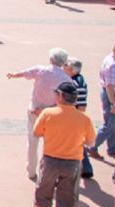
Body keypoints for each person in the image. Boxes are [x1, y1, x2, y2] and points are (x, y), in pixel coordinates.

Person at [30, 82, 96, 207]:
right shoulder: (84, 119)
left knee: (43, 190)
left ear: (60, 96)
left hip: (50, 160)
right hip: (72, 163)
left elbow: (36, 132)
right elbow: (91, 142)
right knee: (66, 198)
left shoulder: (48, 113)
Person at [7, 48, 73, 181]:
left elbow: (24, 73)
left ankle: (31, 171)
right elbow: (67, 101)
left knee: (32, 142)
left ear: (50, 59)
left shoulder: (41, 70)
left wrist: (13, 75)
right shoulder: (66, 80)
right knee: (51, 144)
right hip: (52, 113)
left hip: (34, 110)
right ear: (64, 63)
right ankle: (47, 173)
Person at [88, 42, 115, 161]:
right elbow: (109, 86)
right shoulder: (112, 65)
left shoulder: (113, 60)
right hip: (113, 95)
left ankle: (112, 148)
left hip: (113, 94)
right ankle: (92, 145)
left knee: (114, 123)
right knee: (110, 124)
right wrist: (113, 103)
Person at [63, 59, 93, 178]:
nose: (63, 67)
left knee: (76, 142)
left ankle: (85, 168)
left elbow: (81, 104)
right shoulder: (77, 79)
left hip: (73, 116)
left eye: (66, 65)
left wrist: (76, 118)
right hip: (75, 116)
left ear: (71, 69)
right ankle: (86, 168)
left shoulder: (76, 83)